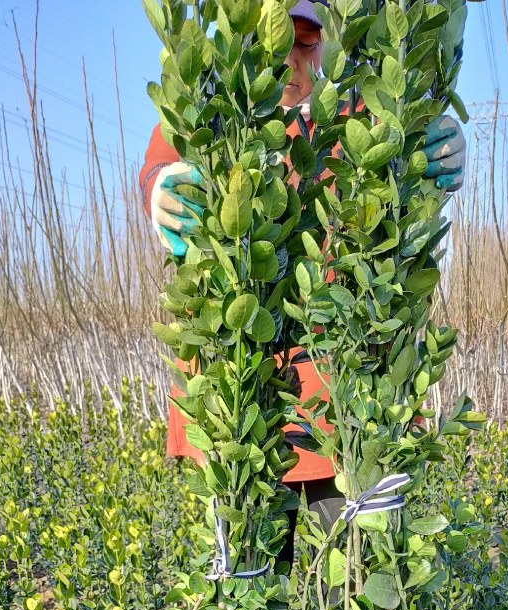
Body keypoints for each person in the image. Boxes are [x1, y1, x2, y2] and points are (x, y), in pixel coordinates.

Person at [139, 0, 467, 567]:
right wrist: (164, 189)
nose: (289, 53)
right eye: (280, 32)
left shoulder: (368, 109)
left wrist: (442, 142)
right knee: (245, 589)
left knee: (357, 591)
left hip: (345, 407)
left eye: (307, 37)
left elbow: (422, 149)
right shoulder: (216, 99)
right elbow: (164, 164)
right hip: (237, 409)